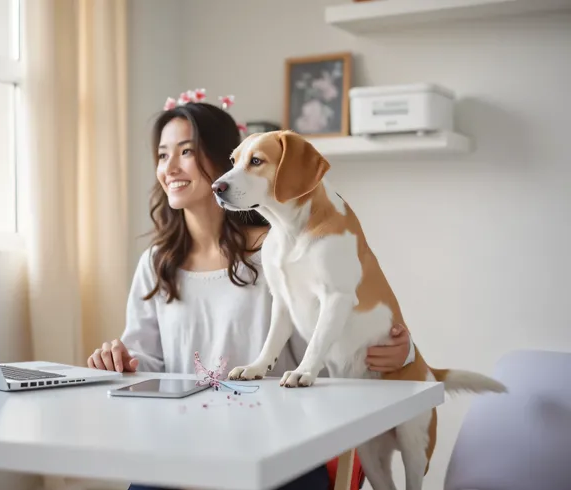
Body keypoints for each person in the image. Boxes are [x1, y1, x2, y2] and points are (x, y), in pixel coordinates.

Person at [88, 96, 414, 490]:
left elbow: (333, 341)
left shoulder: (281, 252)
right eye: (161, 155)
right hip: (180, 449)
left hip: (279, 453)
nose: (169, 168)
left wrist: (396, 353)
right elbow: (148, 362)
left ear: (225, 161)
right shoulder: (157, 262)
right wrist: (121, 360)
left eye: (186, 152)